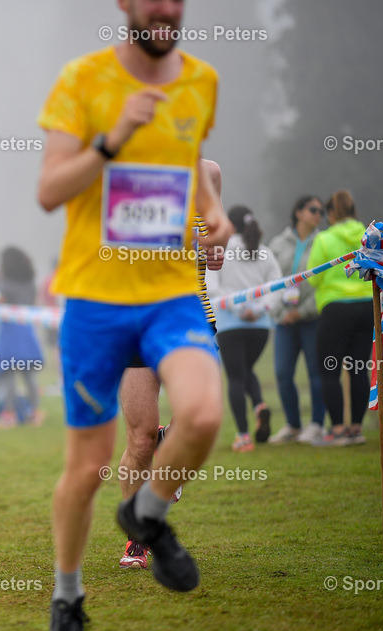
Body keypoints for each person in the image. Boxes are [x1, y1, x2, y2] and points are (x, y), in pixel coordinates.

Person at [37, 0, 232, 631]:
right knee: (86, 468)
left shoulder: (201, 81)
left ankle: (146, 512)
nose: (164, 7)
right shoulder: (82, 80)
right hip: (96, 298)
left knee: (204, 412)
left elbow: (194, 170)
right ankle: (68, 601)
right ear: (123, 3)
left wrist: (217, 221)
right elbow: (49, 190)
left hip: (173, 294)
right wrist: (111, 139)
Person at [117, 159, 224, 570]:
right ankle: (138, 539)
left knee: (198, 417)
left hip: (191, 319)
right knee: (141, 440)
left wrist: (215, 250)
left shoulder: (208, 173)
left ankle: (171, 445)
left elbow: (215, 240)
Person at [206, 206, 283, 452]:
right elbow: (278, 287)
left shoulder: (221, 251)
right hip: (260, 327)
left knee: (236, 377)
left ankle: (243, 436)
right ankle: (260, 405)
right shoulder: (265, 252)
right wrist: (259, 309)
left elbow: (212, 287)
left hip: (230, 323)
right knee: (246, 369)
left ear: (229, 224)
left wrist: (239, 310)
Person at [307, 189, 372, 446]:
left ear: (332, 213)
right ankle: (356, 429)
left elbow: (314, 277)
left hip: (335, 309)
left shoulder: (324, 238)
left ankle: (335, 430)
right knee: (358, 368)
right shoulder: (368, 236)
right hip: (367, 306)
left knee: (329, 370)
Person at [267, 196, 327, 445]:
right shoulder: (278, 243)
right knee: (282, 373)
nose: (318, 214)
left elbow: (324, 282)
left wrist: (302, 311)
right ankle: (293, 425)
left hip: (312, 317)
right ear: (298, 212)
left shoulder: (323, 241)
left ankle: (316, 425)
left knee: (316, 372)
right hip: (283, 319)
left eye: (321, 211)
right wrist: (280, 312)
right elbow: (269, 280)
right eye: (313, 209)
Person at [0, 246, 44, 427]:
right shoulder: (30, 282)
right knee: (29, 375)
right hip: (27, 330)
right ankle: (35, 414)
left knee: (8, 375)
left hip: (9, 331)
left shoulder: (4, 282)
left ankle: (9, 415)